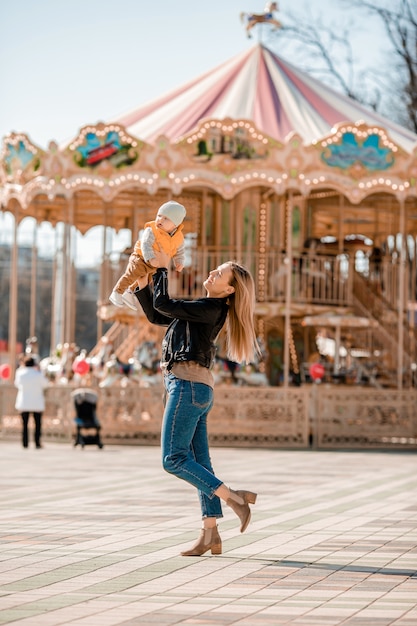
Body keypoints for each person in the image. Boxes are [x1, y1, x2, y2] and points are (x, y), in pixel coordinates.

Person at [135, 249, 261, 556]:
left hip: (187, 385)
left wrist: (163, 270)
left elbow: (164, 302)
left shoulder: (210, 308)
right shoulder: (203, 308)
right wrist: (142, 285)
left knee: (173, 459)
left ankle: (234, 498)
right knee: (200, 463)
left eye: (220, 275)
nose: (212, 274)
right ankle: (210, 534)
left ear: (229, 290)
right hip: (195, 387)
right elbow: (157, 313)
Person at [109, 200, 186, 311]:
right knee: (132, 274)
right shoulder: (152, 230)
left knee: (145, 280)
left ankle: (129, 292)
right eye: (159, 216)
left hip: (154, 265)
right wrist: (150, 258)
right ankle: (117, 292)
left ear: (175, 224)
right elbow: (145, 244)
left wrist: (179, 262)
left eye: (166, 218)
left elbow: (180, 251)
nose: (160, 220)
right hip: (141, 257)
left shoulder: (179, 238)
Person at [14, 355, 49, 449]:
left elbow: (16, 384)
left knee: (24, 424)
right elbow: (45, 384)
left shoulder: (20, 373)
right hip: (36, 402)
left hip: (24, 402)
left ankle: (25, 443)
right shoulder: (38, 374)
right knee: (37, 424)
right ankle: (37, 442)